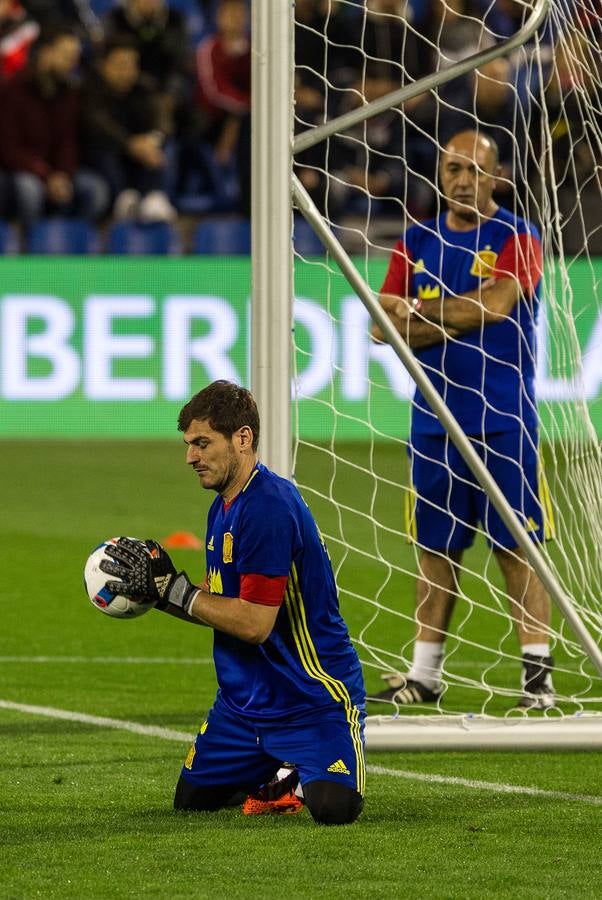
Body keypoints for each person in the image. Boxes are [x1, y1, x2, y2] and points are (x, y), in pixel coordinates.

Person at [100, 380, 366, 825]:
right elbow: (218, 605)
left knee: (334, 809)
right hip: (241, 708)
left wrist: (173, 590)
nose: (191, 457)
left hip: (311, 699)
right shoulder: (223, 504)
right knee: (191, 802)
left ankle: (293, 773)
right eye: (188, 445)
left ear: (242, 439)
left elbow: (255, 624)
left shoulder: (268, 507)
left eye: (202, 443)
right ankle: (274, 773)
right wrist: (157, 594)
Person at [370, 129, 555, 710]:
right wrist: (455, 314)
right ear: (441, 174)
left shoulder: (519, 236)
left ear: (495, 177)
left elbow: (499, 306)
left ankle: (537, 680)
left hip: (504, 418)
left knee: (516, 546)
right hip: (433, 421)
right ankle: (424, 675)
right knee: (436, 550)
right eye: (453, 168)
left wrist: (418, 315)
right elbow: (380, 326)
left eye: (475, 169)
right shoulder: (415, 240)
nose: (463, 179)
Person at [0, 24, 109, 225]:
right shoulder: (14, 89)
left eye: (75, 56)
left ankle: (69, 246)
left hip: (58, 173)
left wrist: (63, 175)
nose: (72, 63)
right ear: (45, 53)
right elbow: (8, 149)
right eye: (66, 55)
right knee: (29, 190)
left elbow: (68, 142)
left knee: (95, 190)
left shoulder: (70, 93)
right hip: (22, 171)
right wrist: (47, 175)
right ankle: (29, 247)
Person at [81, 37, 176, 223]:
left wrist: (152, 140)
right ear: (104, 65)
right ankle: (124, 200)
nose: (127, 72)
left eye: (132, 65)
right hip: (104, 159)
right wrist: (129, 144)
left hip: (139, 158)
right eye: (121, 65)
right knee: (103, 148)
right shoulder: (89, 89)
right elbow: (97, 125)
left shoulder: (144, 88)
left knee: (161, 146)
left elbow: (162, 121)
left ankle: (154, 198)